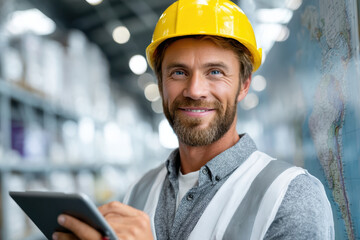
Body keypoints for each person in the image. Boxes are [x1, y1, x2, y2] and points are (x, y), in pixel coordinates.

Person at [52, 0, 334, 239]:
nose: (195, 90)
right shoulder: (139, 191)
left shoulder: (291, 195)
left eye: (215, 72)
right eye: (178, 72)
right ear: (161, 83)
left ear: (244, 84)